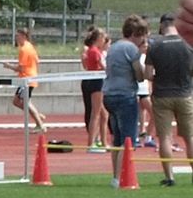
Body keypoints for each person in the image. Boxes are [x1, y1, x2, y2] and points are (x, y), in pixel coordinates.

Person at [144, 12, 190, 185]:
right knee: (189, 137)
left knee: (164, 137)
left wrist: (161, 77)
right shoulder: (186, 45)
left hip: (162, 94)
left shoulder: (155, 45)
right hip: (184, 94)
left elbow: (148, 74)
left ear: (162, 26)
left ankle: (169, 177)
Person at [101, 16, 146, 151]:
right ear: (134, 34)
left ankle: (116, 172)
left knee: (117, 140)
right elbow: (139, 75)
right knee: (128, 142)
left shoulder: (113, 47)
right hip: (125, 96)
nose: (142, 40)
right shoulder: (132, 49)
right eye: (141, 36)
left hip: (109, 95)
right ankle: (124, 172)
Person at [4, 25, 45, 142]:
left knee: (25, 102)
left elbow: (20, 68)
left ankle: (40, 124)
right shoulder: (30, 47)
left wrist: (8, 66)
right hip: (28, 78)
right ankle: (37, 115)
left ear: (23, 36)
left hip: (27, 79)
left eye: (18, 35)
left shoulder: (24, 49)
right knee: (17, 101)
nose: (16, 38)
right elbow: (37, 60)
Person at [80, 27, 109, 151]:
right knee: (96, 113)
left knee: (104, 114)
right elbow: (102, 67)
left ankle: (103, 142)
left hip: (96, 81)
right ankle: (91, 143)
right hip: (97, 82)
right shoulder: (94, 51)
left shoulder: (93, 51)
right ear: (99, 39)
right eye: (103, 39)